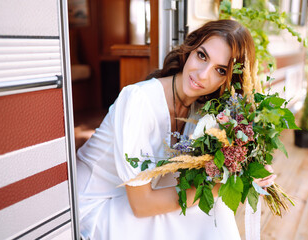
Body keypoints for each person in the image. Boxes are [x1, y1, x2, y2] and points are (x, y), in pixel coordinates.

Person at [76, 19, 276, 240]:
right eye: (202, 55)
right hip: (96, 203)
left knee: (211, 208)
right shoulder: (139, 101)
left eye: (219, 70)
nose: (202, 74)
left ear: (228, 80)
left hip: (139, 194)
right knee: (207, 205)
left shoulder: (205, 112)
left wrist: (248, 165)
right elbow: (142, 205)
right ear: (190, 49)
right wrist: (223, 185)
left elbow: (208, 169)